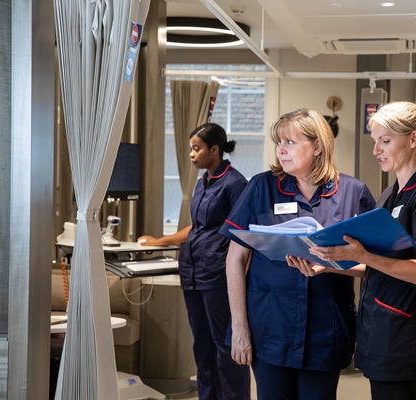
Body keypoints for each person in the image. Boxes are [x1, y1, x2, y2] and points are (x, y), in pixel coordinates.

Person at [290, 101, 416, 400]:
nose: (376, 150)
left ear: (413, 139)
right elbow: (378, 266)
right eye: (374, 142)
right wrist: (330, 264)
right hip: (378, 330)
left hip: (402, 334)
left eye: (385, 141)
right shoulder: (390, 195)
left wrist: (363, 255)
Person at [219, 108, 376, 400]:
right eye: (278, 143)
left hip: (325, 330)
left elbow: (375, 265)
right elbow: (235, 259)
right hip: (268, 327)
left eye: (289, 142)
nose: (281, 150)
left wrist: (331, 265)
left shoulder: (353, 192)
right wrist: (239, 326)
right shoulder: (261, 187)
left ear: (317, 145)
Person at [139, 122, 250, 400]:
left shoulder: (235, 184)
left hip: (219, 277)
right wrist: (159, 241)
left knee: (226, 348)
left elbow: (245, 235)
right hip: (192, 273)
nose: (191, 154)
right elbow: (197, 227)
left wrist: (243, 278)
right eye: (191, 149)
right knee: (202, 347)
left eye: (196, 148)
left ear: (215, 149)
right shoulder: (202, 182)